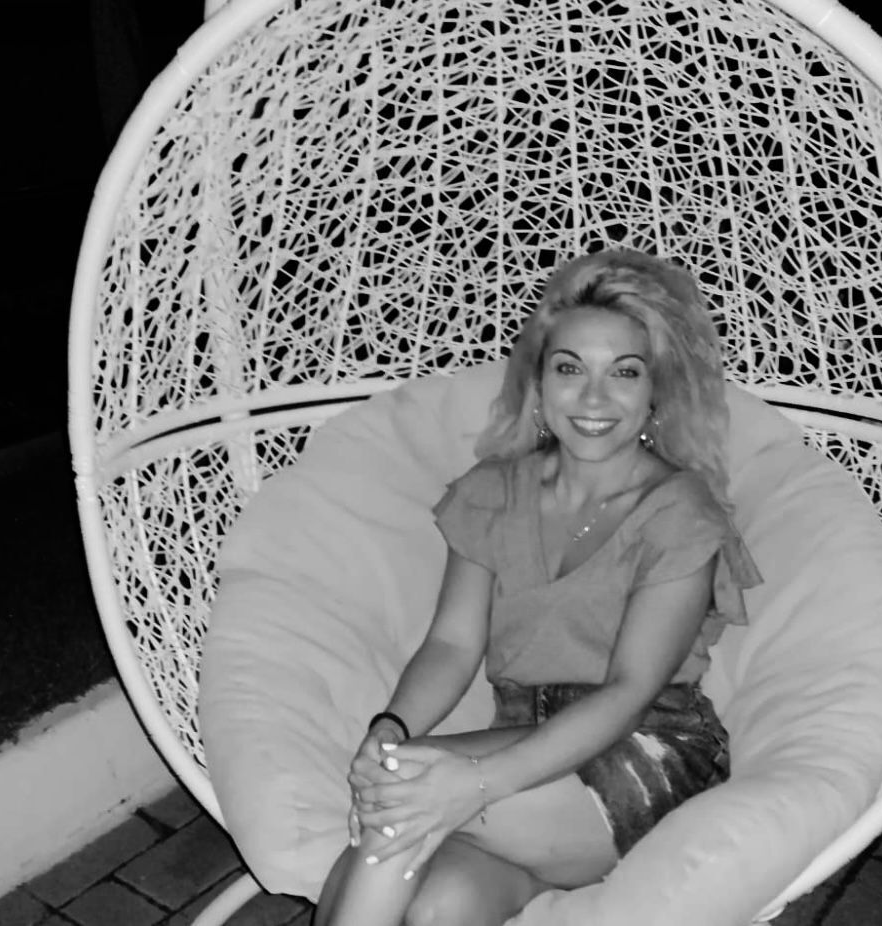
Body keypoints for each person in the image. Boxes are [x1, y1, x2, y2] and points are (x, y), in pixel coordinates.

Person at [314, 248, 762, 926]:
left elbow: (629, 691)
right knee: (439, 906)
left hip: (646, 752)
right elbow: (451, 644)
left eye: (624, 372)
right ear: (538, 380)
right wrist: (390, 728)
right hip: (524, 746)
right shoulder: (492, 492)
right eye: (569, 369)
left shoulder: (679, 512)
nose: (593, 398)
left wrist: (474, 782)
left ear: (656, 392)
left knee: (398, 799)